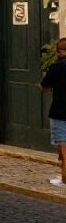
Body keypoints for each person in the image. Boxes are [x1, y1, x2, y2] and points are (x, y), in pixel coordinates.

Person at [41, 37, 66, 186]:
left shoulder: (56, 68)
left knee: (64, 149)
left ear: (60, 52)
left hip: (60, 112)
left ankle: (64, 179)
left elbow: (45, 86)